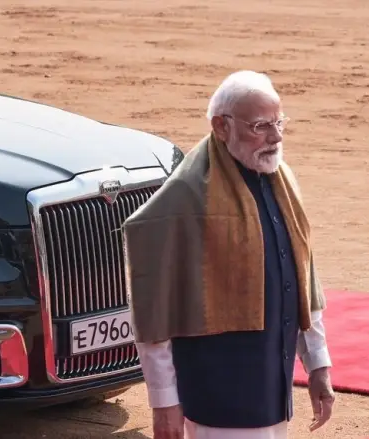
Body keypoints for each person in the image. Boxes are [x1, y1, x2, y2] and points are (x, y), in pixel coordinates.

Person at [123, 70, 335, 439]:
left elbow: (302, 281)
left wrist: (318, 365)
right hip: (217, 399)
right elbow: (155, 310)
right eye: (260, 126)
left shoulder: (281, 181)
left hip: (273, 388)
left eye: (279, 123)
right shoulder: (186, 199)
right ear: (221, 126)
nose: (275, 137)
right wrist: (164, 401)